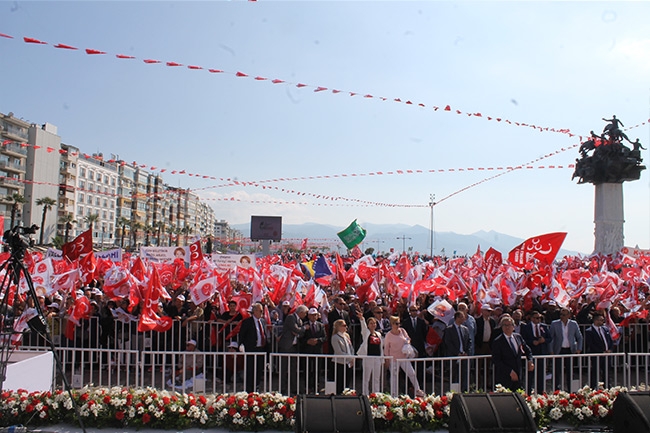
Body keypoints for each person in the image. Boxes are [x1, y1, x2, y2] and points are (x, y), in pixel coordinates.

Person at [383, 315, 424, 397]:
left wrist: (407, 342)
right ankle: (394, 394)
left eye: (398, 323)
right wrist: (387, 360)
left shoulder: (402, 331)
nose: (397, 325)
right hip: (393, 359)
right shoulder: (388, 335)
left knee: (412, 373)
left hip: (404, 357)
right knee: (394, 377)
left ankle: (417, 389)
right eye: (395, 323)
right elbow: (386, 348)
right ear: (392, 324)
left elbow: (408, 338)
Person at [491, 316, 534, 392]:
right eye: (505, 325)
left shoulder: (518, 337)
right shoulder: (497, 341)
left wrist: (530, 361)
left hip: (518, 374)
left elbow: (527, 350)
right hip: (505, 376)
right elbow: (496, 360)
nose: (507, 327)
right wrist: (509, 371)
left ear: (513, 327)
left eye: (509, 325)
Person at [549, 308, 583, 391]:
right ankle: (556, 390)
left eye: (564, 315)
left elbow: (579, 337)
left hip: (570, 350)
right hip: (558, 350)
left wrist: (579, 348)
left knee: (570, 372)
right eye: (560, 314)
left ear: (569, 315)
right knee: (557, 371)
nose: (562, 316)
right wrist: (551, 350)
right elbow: (551, 338)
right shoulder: (554, 324)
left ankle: (572, 390)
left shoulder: (573, 324)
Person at [278, 304, 308, 395]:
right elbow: (296, 329)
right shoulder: (291, 317)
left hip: (294, 347)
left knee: (293, 368)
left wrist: (299, 332)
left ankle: (293, 388)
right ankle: (282, 388)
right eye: (305, 313)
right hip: (286, 346)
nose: (305, 315)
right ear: (301, 312)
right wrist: (303, 328)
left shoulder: (300, 321)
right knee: (284, 368)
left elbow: (300, 333)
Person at [238, 302, 269, 392]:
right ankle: (249, 389)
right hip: (251, 349)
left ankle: (257, 387)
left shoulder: (262, 321)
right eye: (261, 311)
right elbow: (242, 335)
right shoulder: (247, 322)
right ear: (255, 311)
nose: (262, 313)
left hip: (261, 349)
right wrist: (242, 345)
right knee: (250, 370)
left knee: (259, 370)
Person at [521, 311, 552, 393]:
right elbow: (523, 339)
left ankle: (540, 391)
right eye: (536, 318)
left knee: (541, 373)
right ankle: (528, 391)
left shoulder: (544, 327)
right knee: (530, 373)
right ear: (531, 318)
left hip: (542, 353)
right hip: (531, 353)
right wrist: (532, 342)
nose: (538, 319)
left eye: (539, 318)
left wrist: (544, 340)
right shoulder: (526, 327)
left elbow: (550, 338)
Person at [442, 311, 471, 392]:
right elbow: (448, 343)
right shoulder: (449, 330)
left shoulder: (465, 329)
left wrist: (466, 352)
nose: (463, 319)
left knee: (463, 374)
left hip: (463, 356)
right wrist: (457, 353)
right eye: (461, 317)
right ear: (457, 318)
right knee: (453, 375)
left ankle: (462, 390)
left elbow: (469, 341)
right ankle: (453, 392)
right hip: (453, 356)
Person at [356, 311, 383, 395]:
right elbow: (363, 327)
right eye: (371, 323)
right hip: (368, 357)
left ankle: (376, 394)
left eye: (374, 323)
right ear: (368, 325)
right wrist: (362, 319)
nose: (373, 325)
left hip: (377, 358)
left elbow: (381, 346)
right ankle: (365, 393)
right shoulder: (366, 333)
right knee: (366, 377)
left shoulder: (378, 334)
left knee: (376, 378)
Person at [300, 307, 326, 393]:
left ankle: (316, 385)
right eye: (312, 315)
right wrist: (307, 341)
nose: (313, 317)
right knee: (307, 369)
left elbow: (324, 337)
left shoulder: (321, 325)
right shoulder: (304, 325)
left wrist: (317, 341)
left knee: (317, 369)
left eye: (315, 315)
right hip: (307, 350)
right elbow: (300, 337)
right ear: (309, 316)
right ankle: (307, 386)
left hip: (317, 350)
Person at [585, 312, 613, 389]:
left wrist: (609, 349)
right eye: (600, 320)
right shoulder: (589, 331)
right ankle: (593, 387)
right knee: (595, 371)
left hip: (607, 355)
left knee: (606, 371)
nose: (601, 322)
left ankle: (607, 386)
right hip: (596, 355)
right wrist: (601, 351)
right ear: (595, 320)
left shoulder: (605, 329)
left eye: (602, 320)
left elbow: (610, 340)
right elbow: (591, 344)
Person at [331, 319, 355, 394]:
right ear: (338, 327)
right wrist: (350, 357)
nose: (346, 327)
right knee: (340, 382)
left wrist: (352, 357)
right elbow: (338, 351)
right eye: (344, 325)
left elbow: (351, 347)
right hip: (339, 363)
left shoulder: (347, 336)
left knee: (347, 382)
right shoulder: (335, 337)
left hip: (348, 363)